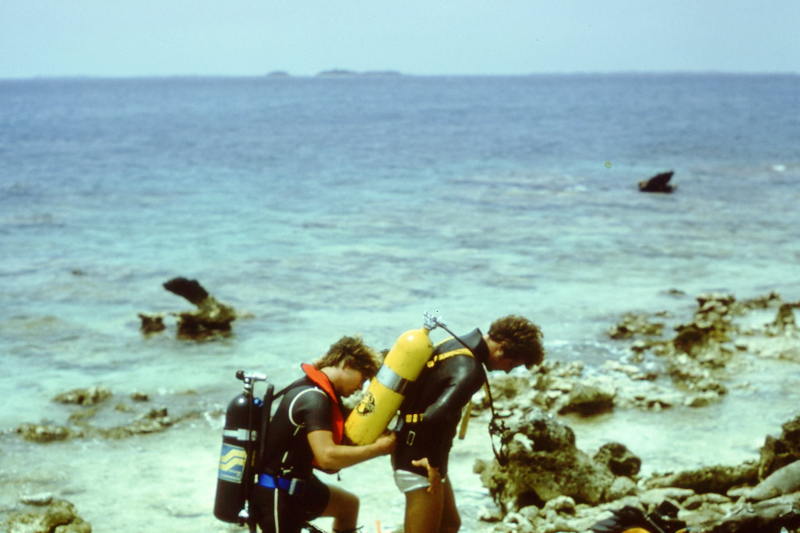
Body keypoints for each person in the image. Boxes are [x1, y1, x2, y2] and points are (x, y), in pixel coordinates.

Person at [392, 315, 545, 533]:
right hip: (420, 461)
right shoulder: (470, 370)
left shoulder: (452, 343)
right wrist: (434, 465)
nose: (508, 371)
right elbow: (433, 417)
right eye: (512, 364)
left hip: (417, 451)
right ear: (502, 348)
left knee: (450, 524)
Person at [252, 336, 396, 533]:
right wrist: (379, 449)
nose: (360, 388)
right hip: (277, 493)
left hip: (300, 485)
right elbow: (327, 457)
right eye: (362, 379)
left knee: (348, 505)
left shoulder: (315, 389)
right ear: (347, 364)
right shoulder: (314, 399)